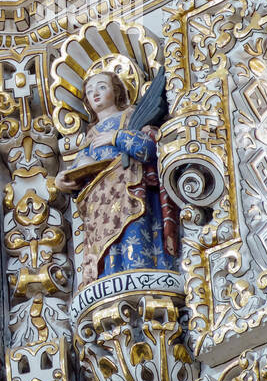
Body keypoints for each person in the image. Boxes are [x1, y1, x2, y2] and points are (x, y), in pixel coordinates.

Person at [55, 68, 179, 286]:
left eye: (102, 87)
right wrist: (63, 180)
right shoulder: (91, 134)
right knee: (107, 248)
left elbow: (148, 149)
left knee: (133, 233)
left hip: (129, 188)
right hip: (99, 202)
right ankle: (109, 279)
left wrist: (116, 137)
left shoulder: (131, 116)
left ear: (117, 91)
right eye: (90, 91)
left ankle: (139, 273)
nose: (95, 93)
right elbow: (81, 165)